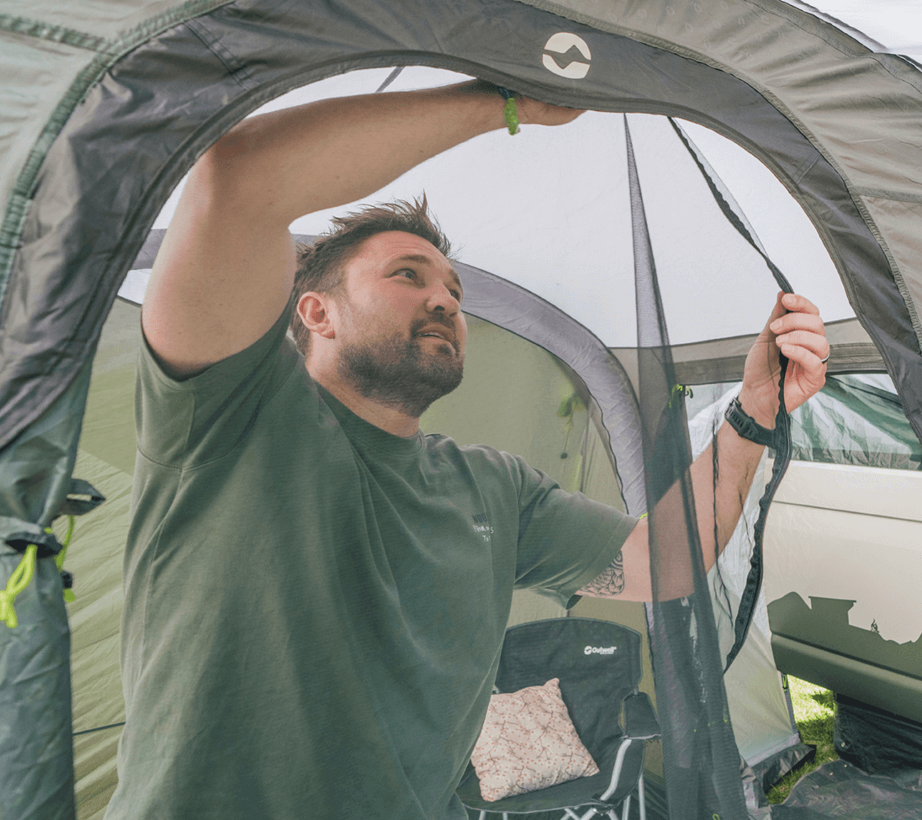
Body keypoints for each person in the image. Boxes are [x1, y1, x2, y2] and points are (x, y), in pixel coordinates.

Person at [109, 79, 830, 820]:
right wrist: (511, 100)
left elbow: (666, 562)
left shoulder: (492, 488)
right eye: (408, 275)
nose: (447, 301)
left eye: (455, 290)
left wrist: (753, 413)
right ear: (316, 312)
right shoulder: (229, 412)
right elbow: (238, 175)